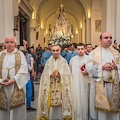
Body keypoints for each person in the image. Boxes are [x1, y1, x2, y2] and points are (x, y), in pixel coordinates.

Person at [36, 45, 76, 120]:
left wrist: (60, 74)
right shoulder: (48, 62)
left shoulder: (64, 62)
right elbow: (44, 75)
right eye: (53, 51)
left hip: (60, 90)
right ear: (51, 51)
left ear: (60, 51)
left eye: (57, 50)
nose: (55, 52)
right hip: (51, 89)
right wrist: (50, 74)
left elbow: (67, 74)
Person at [87, 32, 120, 120]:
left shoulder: (116, 53)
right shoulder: (94, 53)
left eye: (110, 37)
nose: (109, 39)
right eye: (106, 38)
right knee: (101, 114)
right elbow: (88, 68)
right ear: (100, 40)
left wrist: (116, 66)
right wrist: (102, 67)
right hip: (100, 86)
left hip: (113, 86)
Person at [0, 36, 28, 120]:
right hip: (2, 86)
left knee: (16, 110)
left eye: (11, 42)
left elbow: (23, 69)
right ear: (4, 44)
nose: (9, 44)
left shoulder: (20, 54)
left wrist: (14, 79)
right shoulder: (1, 54)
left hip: (16, 85)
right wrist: (0, 80)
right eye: (7, 42)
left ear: (15, 44)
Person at [69, 43, 90, 120]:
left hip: (86, 85)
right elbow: (70, 73)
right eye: (78, 49)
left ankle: (85, 117)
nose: (80, 51)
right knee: (76, 101)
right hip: (75, 85)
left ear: (85, 49)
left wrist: (87, 72)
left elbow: (93, 72)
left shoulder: (89, 59)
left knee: (85, 101)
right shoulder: (72, 60)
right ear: (76, 50)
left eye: (82, 49)